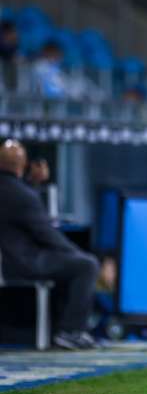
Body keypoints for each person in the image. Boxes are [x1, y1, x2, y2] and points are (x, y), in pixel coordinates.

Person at [0, 140, 99, 349]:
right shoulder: (22, 195)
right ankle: (71, 331)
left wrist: (32, 184)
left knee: (75, 263)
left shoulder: (16, 190)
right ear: (23, 163)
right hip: (23, 262)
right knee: (86, 265)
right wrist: (77, 253)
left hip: (9, 260)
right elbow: (47, 235)